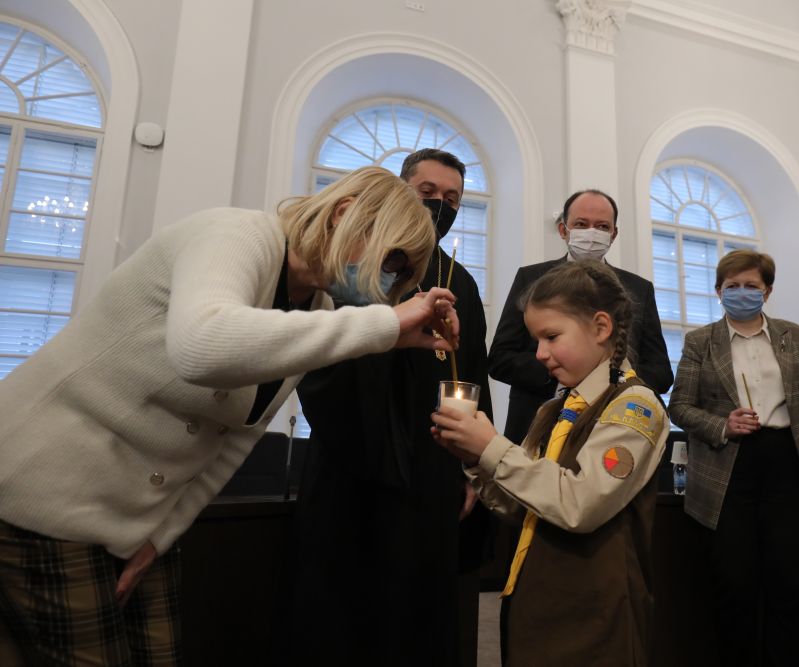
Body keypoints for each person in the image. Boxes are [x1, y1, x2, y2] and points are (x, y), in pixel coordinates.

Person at [0, 165, 459, 665]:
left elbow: (234, 439)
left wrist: (159, 538)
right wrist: (386, 324)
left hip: (132, 520)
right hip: (44, 487)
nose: (388, 279)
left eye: (400, 271)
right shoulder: (240, 233)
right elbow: (201, 346)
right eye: (391, 259)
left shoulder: (319, 310)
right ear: (346, 216)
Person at [288, 149, 491, 666]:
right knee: (340, 610)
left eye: (452, 200)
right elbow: (317, 356)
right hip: (348, 459)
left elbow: (465, 376)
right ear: (400, 191)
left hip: (429, 468)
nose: (439, 207)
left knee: (419, 617)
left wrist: (469, 466)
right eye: (427, 196)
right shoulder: (352, 260)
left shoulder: (460, 282)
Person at [433, 260, 668, 666]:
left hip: (594, 618)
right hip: (536, 602)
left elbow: (579, 504)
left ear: (600, 327)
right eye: (534, 340)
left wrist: (492, 447)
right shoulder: (556, 407)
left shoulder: (634, 406)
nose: (539, 354)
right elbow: (520, 505)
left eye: (551, 337)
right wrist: (476, 459)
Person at [668, 249, 799, 667]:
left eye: (751, 286)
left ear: (767, 291)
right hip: (727, 468)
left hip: (789, 466)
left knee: (791, 585)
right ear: (718, 291)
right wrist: (722, 424)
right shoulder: (700, 341)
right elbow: (678, 406)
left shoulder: (791, 335)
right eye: (732, 286)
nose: (742, 293)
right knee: (735, 586)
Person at [489, 189, 673, 444]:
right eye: (581, 224)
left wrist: (609, 383)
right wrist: (563, 371)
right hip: (534, 424)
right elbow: (500, 358)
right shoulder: (530, 278)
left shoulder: (638, 288)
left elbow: (661, 371)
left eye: (601, 226)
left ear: (614, 234)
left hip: (613, 426)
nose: (591, 233)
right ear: (564, 230)